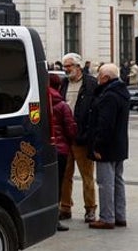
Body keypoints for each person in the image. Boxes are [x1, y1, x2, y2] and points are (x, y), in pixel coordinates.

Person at [86, 63, 131, 229]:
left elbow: (105, 124)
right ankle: (120, 215)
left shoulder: (109, 96)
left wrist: (98, 146)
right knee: (118, 181)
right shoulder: (121, 92)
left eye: (99, 76)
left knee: (105, 183)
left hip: (107, 146)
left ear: (105, 78)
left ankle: (107, 217)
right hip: (119, 145)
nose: (97, 78)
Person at [59, 52, 98, 223]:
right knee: (65, 175)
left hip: (83, 137)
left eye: (69, 66)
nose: (66, 69)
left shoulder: (91, 84)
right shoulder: (64, 83)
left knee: (87, 176)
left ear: (78, 66)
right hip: (66, 137)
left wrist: (90, 134)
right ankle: (65, 207)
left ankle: (90, 209)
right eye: (65, 66)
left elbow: (95, 110)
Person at [47, 73, 77, 232]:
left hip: (44, 148)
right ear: (59, 87)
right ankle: (54, 218)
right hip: (60, 149)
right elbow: (70, 128)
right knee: (58, 184)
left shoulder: (41, 102)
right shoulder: (62, 105)